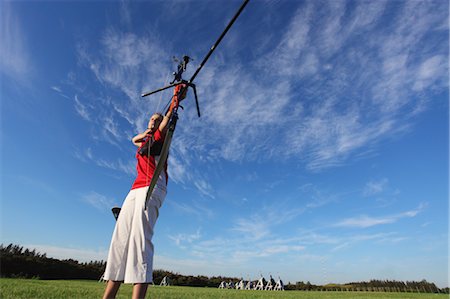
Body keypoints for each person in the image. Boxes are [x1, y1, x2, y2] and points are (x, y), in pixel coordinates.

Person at [102, 85, 185, 299]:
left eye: (157, 121)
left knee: (140, 240)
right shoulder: (146, 139)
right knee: (119, 241)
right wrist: (146, 131)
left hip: (152, 187)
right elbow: (133, 140)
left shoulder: (160, 137)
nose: (154, 122)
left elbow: (167, 122)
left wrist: (175, 100)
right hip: (134, 190)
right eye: (151, 120)